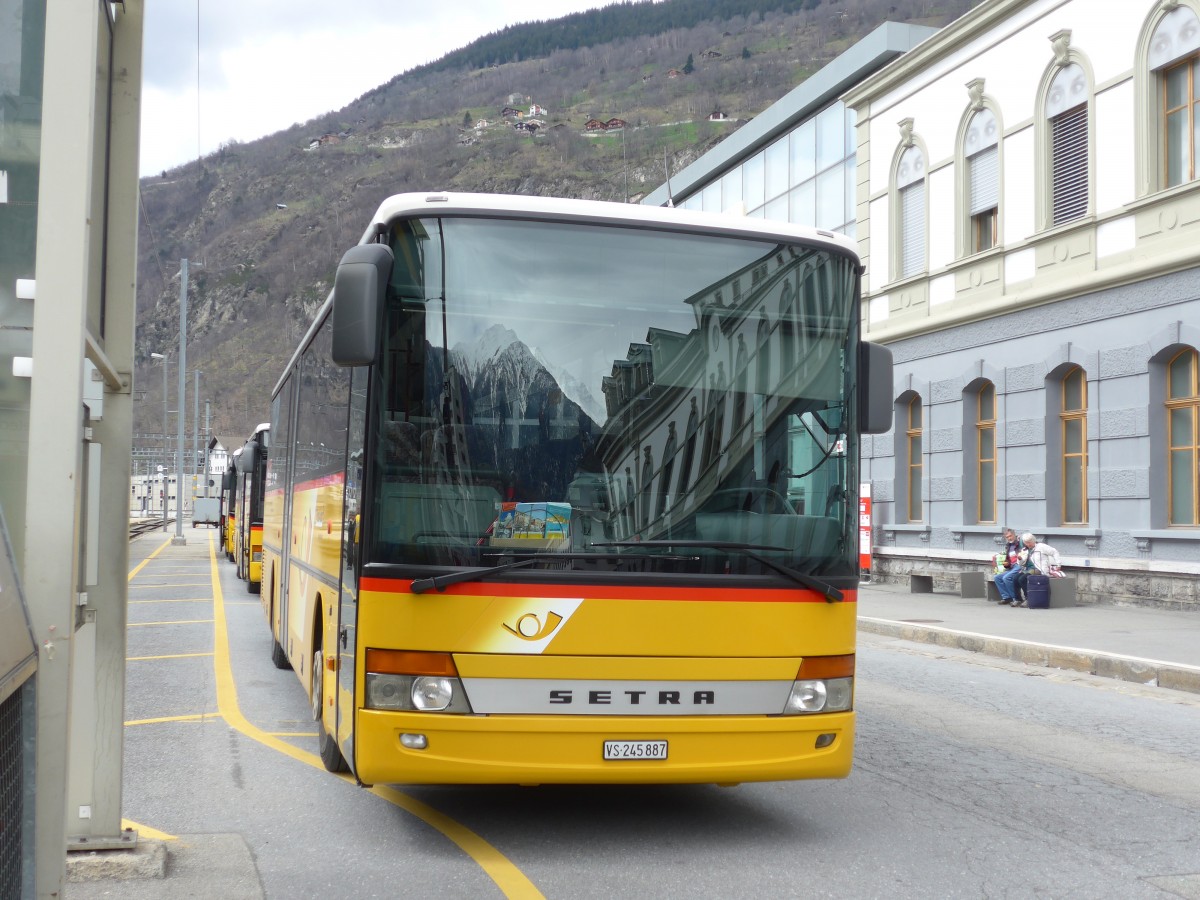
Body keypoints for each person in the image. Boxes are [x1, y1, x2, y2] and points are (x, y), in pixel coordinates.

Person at [1013, 532, 1062, 608]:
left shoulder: (1041, 547)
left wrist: (1058, 564)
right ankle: (1018, 599)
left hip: (1039, 568)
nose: (1028, 544)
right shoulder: (1024, 550)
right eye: (1026, 543)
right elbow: (1021, 563)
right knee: (1015, 578)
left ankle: (1029, 598)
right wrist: (1020, 559)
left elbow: (1054, 552)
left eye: (1029, 542)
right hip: (1027, 569)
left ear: (1033, 541)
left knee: (1022, 579)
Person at [994, 528, 1024, 605]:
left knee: (1006, 577)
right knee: (997, 577)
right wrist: (1007, 564)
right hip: (1012, 566)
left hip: (1020, 565)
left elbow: (1026, 552)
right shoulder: (1008, 545)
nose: (1009, 538)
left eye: (1010, 536)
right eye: (1007, 537)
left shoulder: (1020, 542)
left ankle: (1016, 599)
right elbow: (1009, 559)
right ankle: (1006, 597)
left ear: (1014, 534)